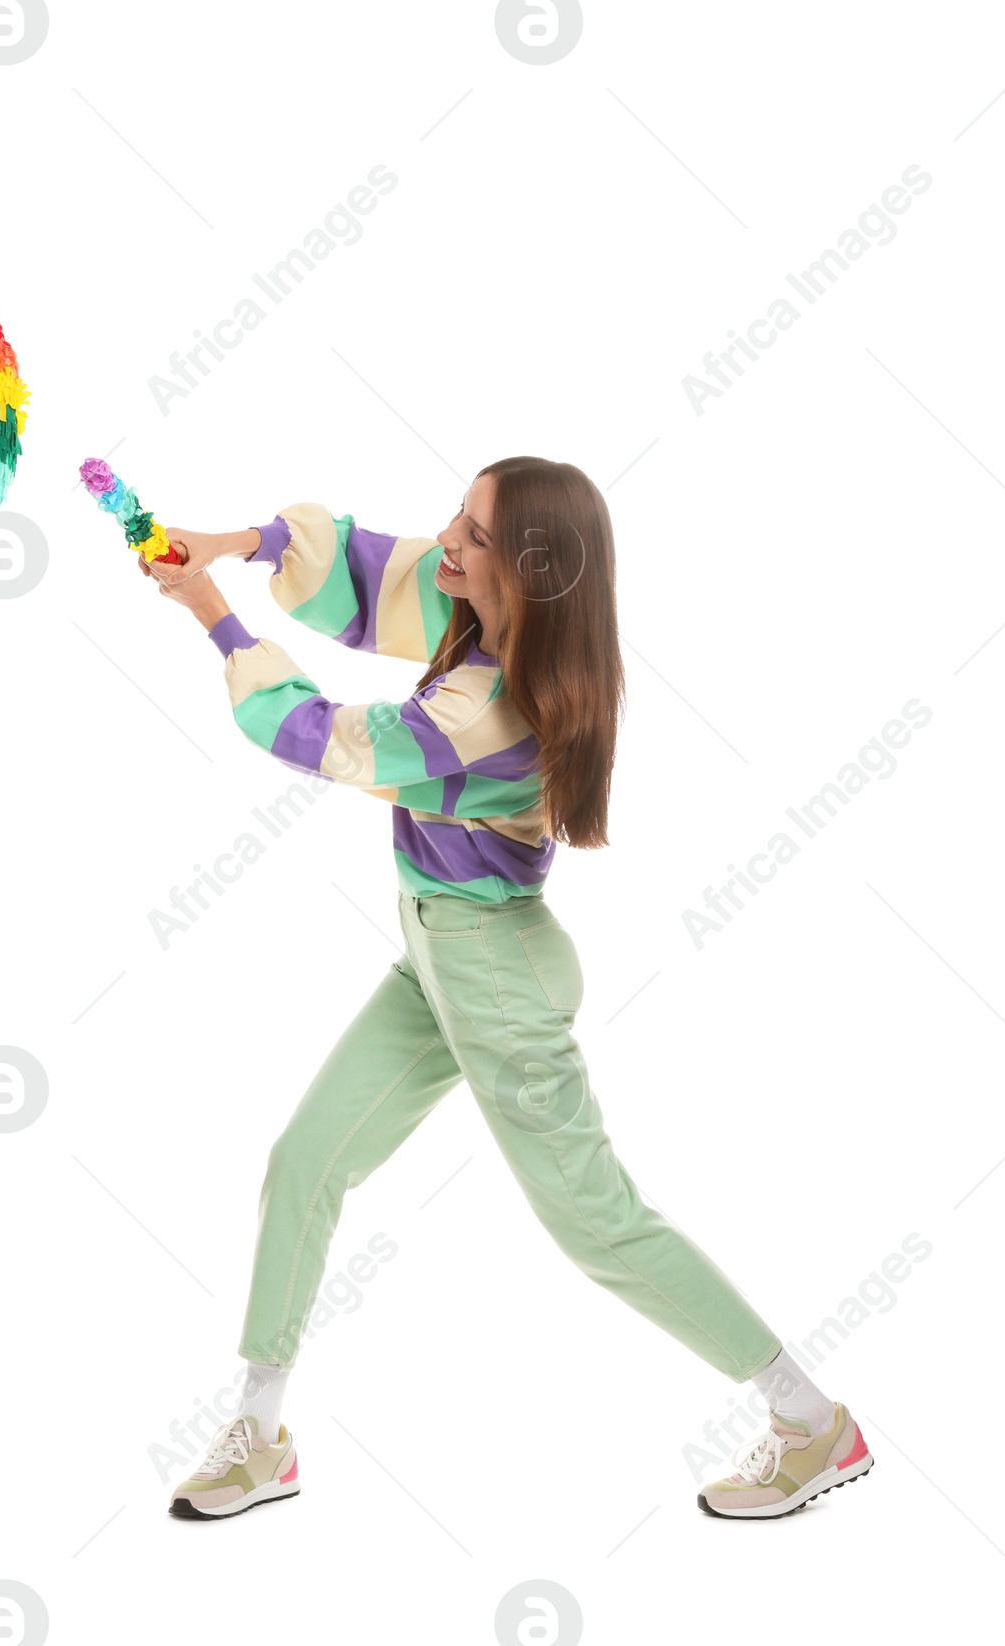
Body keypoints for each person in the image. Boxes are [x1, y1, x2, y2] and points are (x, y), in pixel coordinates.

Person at [142, 457, 872, 1522]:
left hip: (492, 976)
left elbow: (329, 742)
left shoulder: (499, 709)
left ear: (526, 577)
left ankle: (810, 1421)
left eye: (475, 537)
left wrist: (215, 620)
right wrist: (232, 544)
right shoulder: (479, 615)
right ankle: (258, 1432)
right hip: (440, 955)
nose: (448, 543)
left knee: (597, 1224)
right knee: (306, 1161)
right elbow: (368, 565)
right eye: (460, 516)